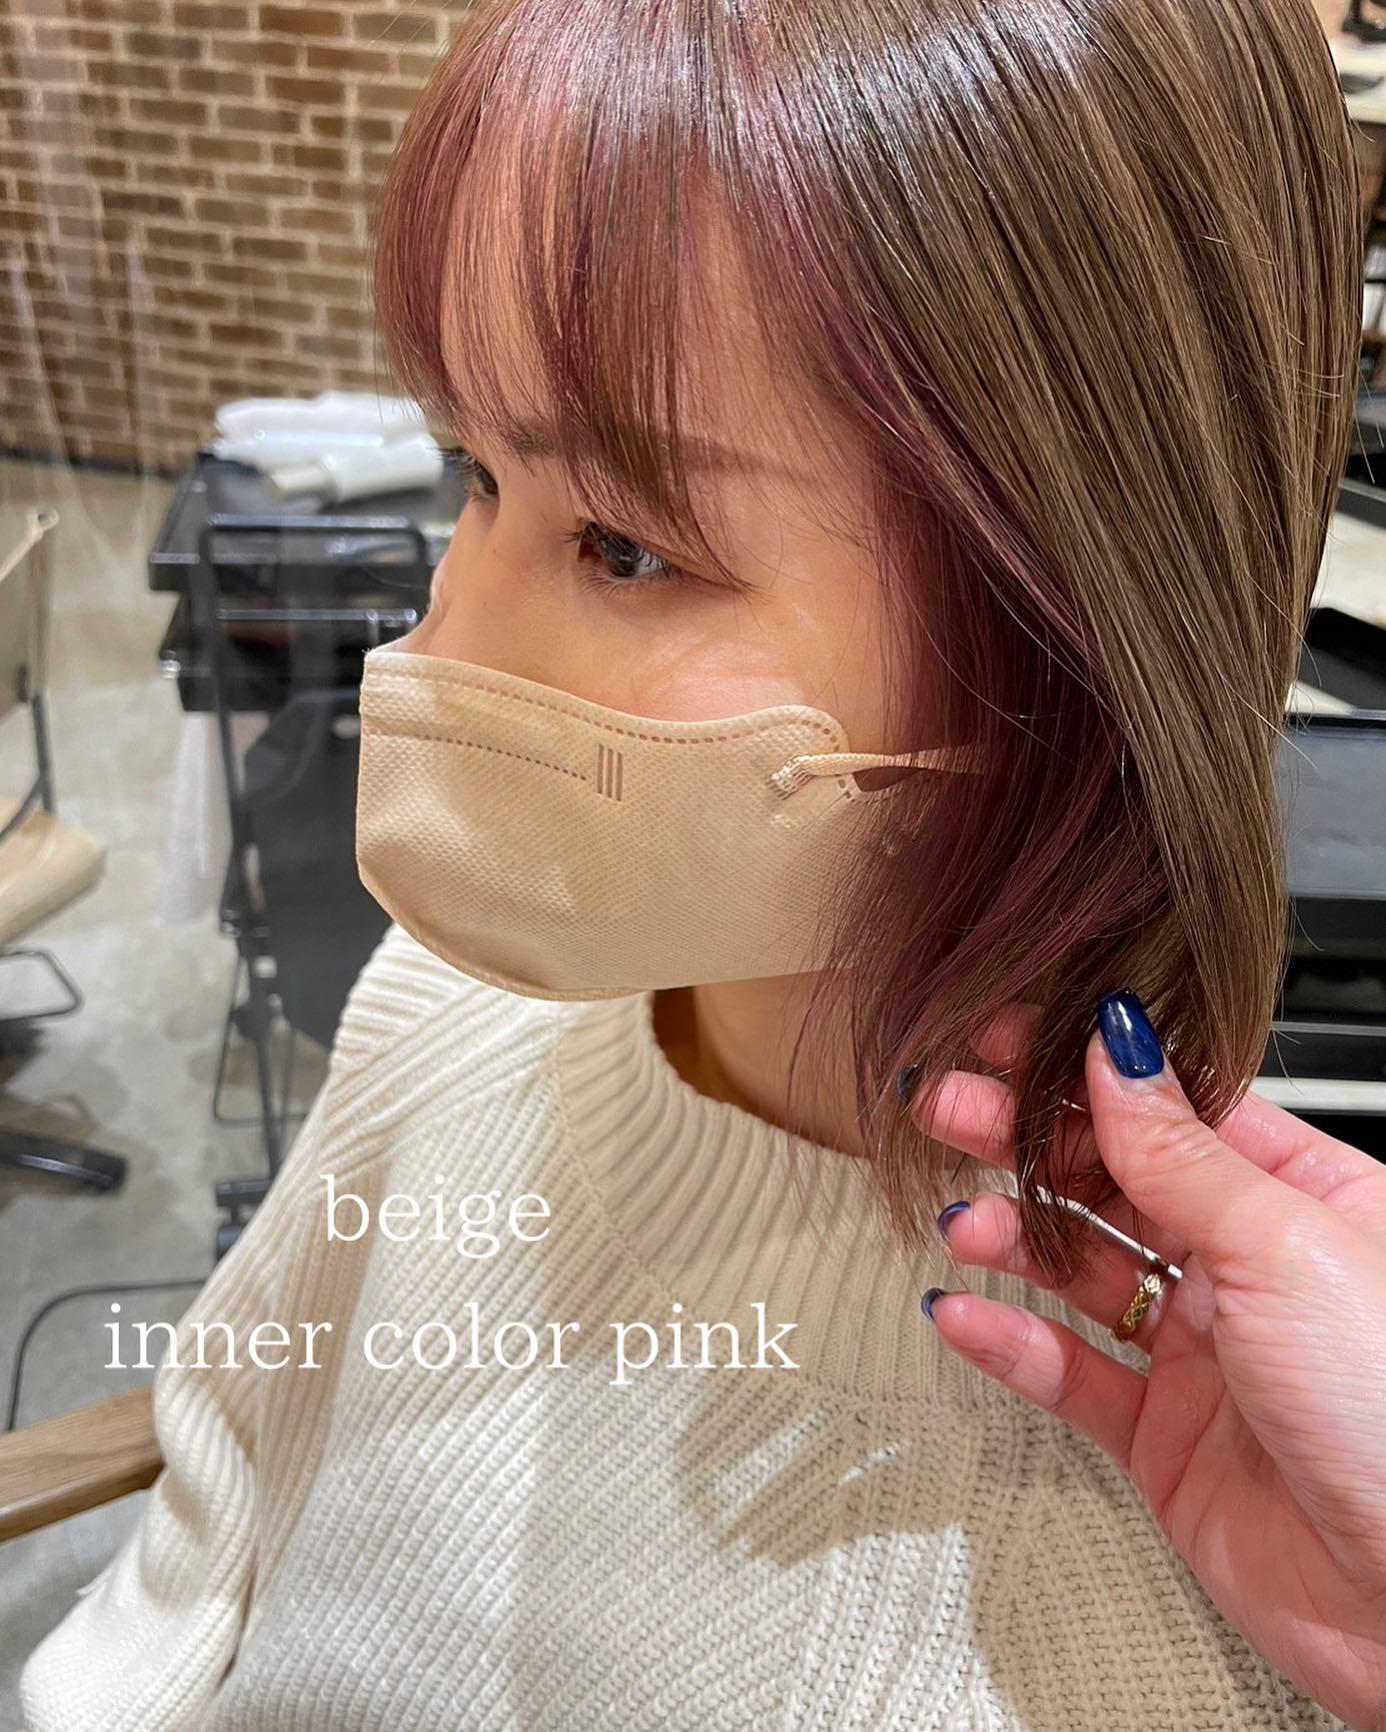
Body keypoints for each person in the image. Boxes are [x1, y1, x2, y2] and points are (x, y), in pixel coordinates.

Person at [21, 0, 1384, 1727]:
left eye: (622, 544)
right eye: (473, 472)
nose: (441, 644)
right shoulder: (444, 1011)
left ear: (1071, 626)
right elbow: (204, 1550)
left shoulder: (1219, 1546)